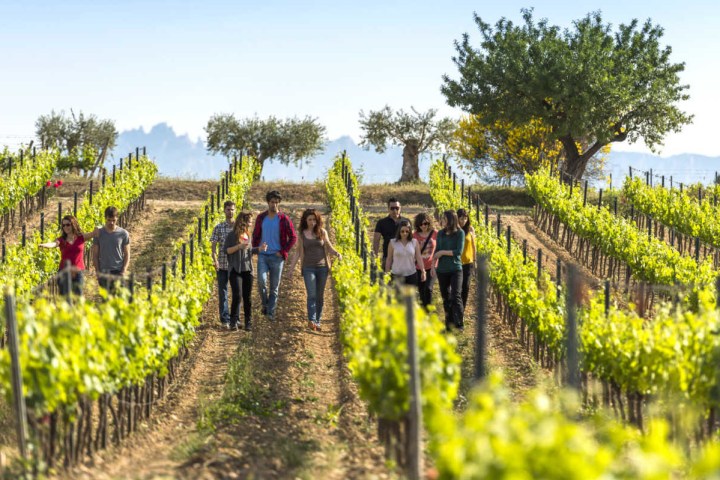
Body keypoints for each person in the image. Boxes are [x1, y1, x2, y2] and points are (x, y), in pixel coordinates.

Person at [287, 209, 341, 331]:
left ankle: (318, 321)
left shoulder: (322, 232)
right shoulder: (302, 234)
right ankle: (311, 320)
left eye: (314, 220)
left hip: (322, 268)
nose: (312, 222)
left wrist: (337, 254)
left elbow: (329, 247)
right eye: (310, 220)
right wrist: (291, 269)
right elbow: (297, 253)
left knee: (319, 296)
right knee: (311, 294)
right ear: (305, 221)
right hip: (308, 268)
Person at [252, 190, 297, 321]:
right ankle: (265, 304)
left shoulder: (284, 219)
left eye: (277, 203)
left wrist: (283, 252)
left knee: (274, 288)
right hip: (263, 256)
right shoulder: (261, 218)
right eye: (272, 202)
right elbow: (256, 234)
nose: (274, 205)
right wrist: (256, 249)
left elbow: (293, 237)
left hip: (277, 258)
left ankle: (270, 313)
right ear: (268, 202)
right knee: (261, 281)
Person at [39, 215, 99, 296]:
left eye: (68, 224)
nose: (65, 227)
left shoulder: (81, 237)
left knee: (78, 298)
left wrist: (97, 228)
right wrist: (45, 245)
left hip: (78, 273)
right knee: (65, 299)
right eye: (63, 225)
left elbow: (94, 233)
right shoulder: (61, 240)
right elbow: (54, 244)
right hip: (64, 272)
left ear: (73, 224)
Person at [224, 211, 264, 331]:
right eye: (250, 221)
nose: (251, 224)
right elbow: (227, 251)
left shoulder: (248, 235)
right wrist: (238, 247)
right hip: (235, 269)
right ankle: (233, 321)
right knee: (237, 295)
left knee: (247, 297)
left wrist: (259, 249)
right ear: (243, 222)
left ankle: (248, 322)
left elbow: (249, 251)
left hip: (247, 270)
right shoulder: (231, 236)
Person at [432, 210, 465, 332]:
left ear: (451, 220)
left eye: (445, 219)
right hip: (442, 270)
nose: (442, 221)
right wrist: (432, 266)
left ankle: (459, 324)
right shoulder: (440, 233)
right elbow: (437, 251)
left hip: (455, 269)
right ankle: (449, 324)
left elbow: (458, 252)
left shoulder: (460, 233)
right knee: (445, 297)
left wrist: (443, 253)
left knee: (456, 295)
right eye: (442, 219)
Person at [211, 201, 236, 327]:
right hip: (222, 265)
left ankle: (235, 319)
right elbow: (213, 247)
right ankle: (225, 320)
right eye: (228, 209)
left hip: (236, 266)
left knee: (237, 293)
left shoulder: (240, 228)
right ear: (224, 211)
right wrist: (215, 260)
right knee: (223, 293)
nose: (230, 212)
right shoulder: (218, 228)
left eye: (232, 209)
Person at [94, 206, 130, 294]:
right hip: (104, 271)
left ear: (117, 218)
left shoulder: (123, 233)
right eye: (109, 220)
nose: (111, 222)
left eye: (114, 220)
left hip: (118, 271)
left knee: (119, 300)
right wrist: (98, 272)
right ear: (105, 218)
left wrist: (124, 270)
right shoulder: (99, 234)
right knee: (106, 302)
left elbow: (127, 254)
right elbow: (95, 255)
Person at [385, 219, 426, 286]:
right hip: (397, 275)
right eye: (402, 231)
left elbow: (419, 258)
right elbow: (389, 259)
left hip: (411, 275)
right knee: (398, 296)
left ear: (410, 232)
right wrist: (387, 274)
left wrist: (423, 271)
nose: (405, 233)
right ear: (399, 231)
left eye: (407, 231)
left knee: (410, 296)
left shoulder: (414, 242)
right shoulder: (392, 242)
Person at [373, 197, 409, 271]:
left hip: (404, 257)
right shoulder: (381, 222)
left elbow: (411, 238)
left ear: (400, 208)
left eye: (397, 208)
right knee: (387, 280)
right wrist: (375, 256)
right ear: (388, 209)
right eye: (392, 208)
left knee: (403, 282)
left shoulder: (406, 222)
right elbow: (376, 240)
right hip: (387, 257)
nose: (395, 210)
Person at [413, 212, 437, 308]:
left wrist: (435, 265)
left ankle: (429, 310)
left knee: (428, 288)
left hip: (432, 267)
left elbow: (438, 248)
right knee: (422, 290)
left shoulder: (435, 233)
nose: (423, 226)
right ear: (417, 224)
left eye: (426, 223)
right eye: (421, 224)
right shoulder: (414, 235)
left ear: (429, 223)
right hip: (418, 267)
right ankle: (424, 311)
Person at [457, 208, 476, 309]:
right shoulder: (454, 230)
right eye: (461, 218)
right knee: (457, 288)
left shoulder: (470, 229)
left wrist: (475, 260)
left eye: (465, 218)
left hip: (468, 263)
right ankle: (457, 307)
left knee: (466, 287)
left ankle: (462, 310)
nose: (463, 221)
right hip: (457, 263)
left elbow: (473, 246)